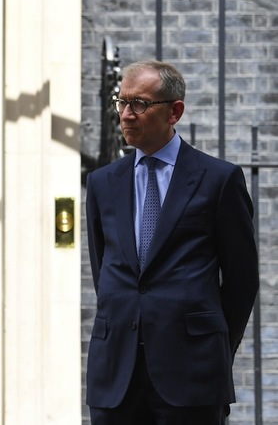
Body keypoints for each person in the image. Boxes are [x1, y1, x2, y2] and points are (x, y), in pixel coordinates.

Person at [85, 60, 259, 424]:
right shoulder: (103, 183)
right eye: (122, 102)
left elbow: (242, 281)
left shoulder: (219, 180)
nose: (126, 114)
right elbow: (105, 271)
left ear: (174, 112)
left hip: (192, 374)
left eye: (140, 104)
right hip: (116, 374)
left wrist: (214, 350)